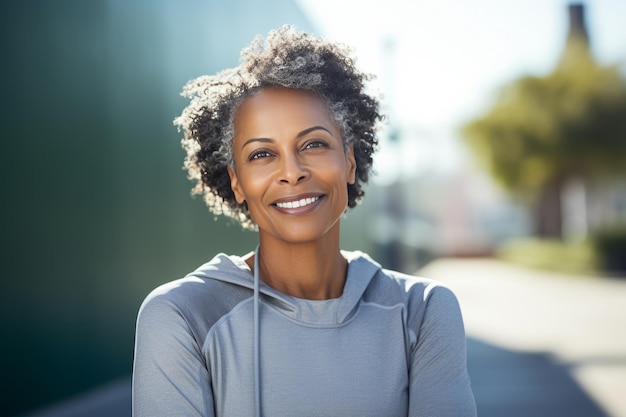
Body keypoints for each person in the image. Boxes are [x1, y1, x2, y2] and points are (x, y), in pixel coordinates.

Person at [132, 25, 477, 417]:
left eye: (313, 144)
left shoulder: (423, 309)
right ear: (237, 182)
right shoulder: (182, 314)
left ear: (349, 160)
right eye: (262, 154)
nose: (292, 172)